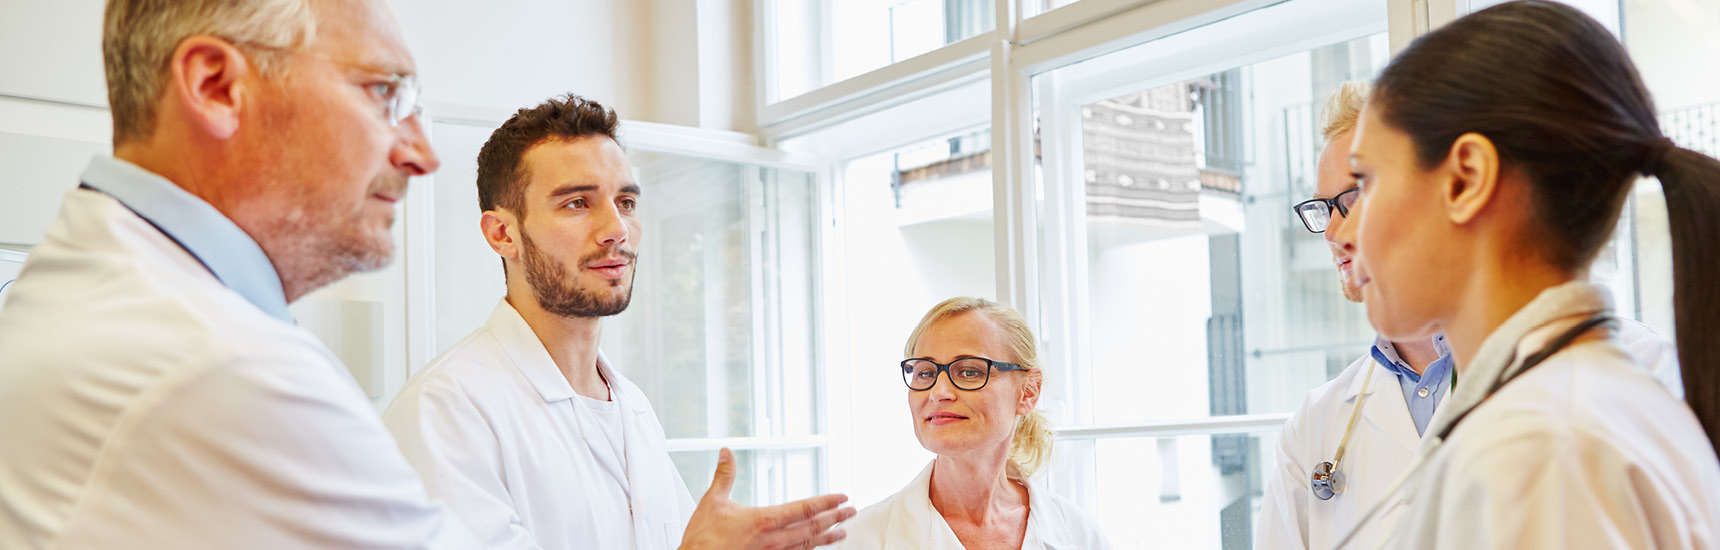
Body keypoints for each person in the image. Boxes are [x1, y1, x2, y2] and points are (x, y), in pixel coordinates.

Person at [0, 1, 849, 547]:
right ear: (218, 85)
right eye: (381, 94)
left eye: (627, 200)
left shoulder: (86, 295)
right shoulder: (222, 368)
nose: (420, 152)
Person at [382, 94, 855, 549]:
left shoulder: (633, 409)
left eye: (625, 202)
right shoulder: (444, 412)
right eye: (577, 204)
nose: (616, 230)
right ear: (503, 233)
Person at [1334, 1, 1720, 546]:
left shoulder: (1538, 449)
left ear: (1466, 179)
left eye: (1365, 183)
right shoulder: (1579, 410)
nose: (1344, 232)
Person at [1255, 81, 1685, 550]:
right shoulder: (1314, 425)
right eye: (1323, 207)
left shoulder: (1642, 372)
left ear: (1462, 189)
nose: (1334, 232)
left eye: (1358, 196)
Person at [830, 297, 1111, 550]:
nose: (938, 392)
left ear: (1028, 392)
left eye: (968, 371)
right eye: (925, 373)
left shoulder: (1080, 535)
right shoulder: (857, 540)